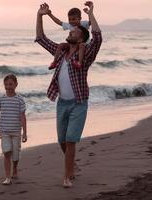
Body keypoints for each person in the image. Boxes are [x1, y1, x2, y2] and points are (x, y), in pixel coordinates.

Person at [35, 1, 102, 187]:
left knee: (70, 140)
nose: (70, 32)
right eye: (70, 31)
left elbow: (97, 38)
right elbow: (41, 38)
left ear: (81, 39)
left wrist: (91, 14)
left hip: (79, 103)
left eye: (74, 31)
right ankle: (72, 165)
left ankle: (67, 176)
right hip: (62, 103)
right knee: (61, 140)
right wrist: (40, 16)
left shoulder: (85, 55)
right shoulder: (62, 51)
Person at [0, 74, 27, 185]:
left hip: (16, 131)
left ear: (16, 85)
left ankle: (15, 169)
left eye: (11, 84)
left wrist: (25, 133)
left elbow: (23, 116)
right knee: (7, 152)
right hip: (4, 131)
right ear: (4, 85)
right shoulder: (1, 99)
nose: (9, 86)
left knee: (16, 154)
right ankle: (7, 177)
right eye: (6, 84)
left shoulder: (20, 99)